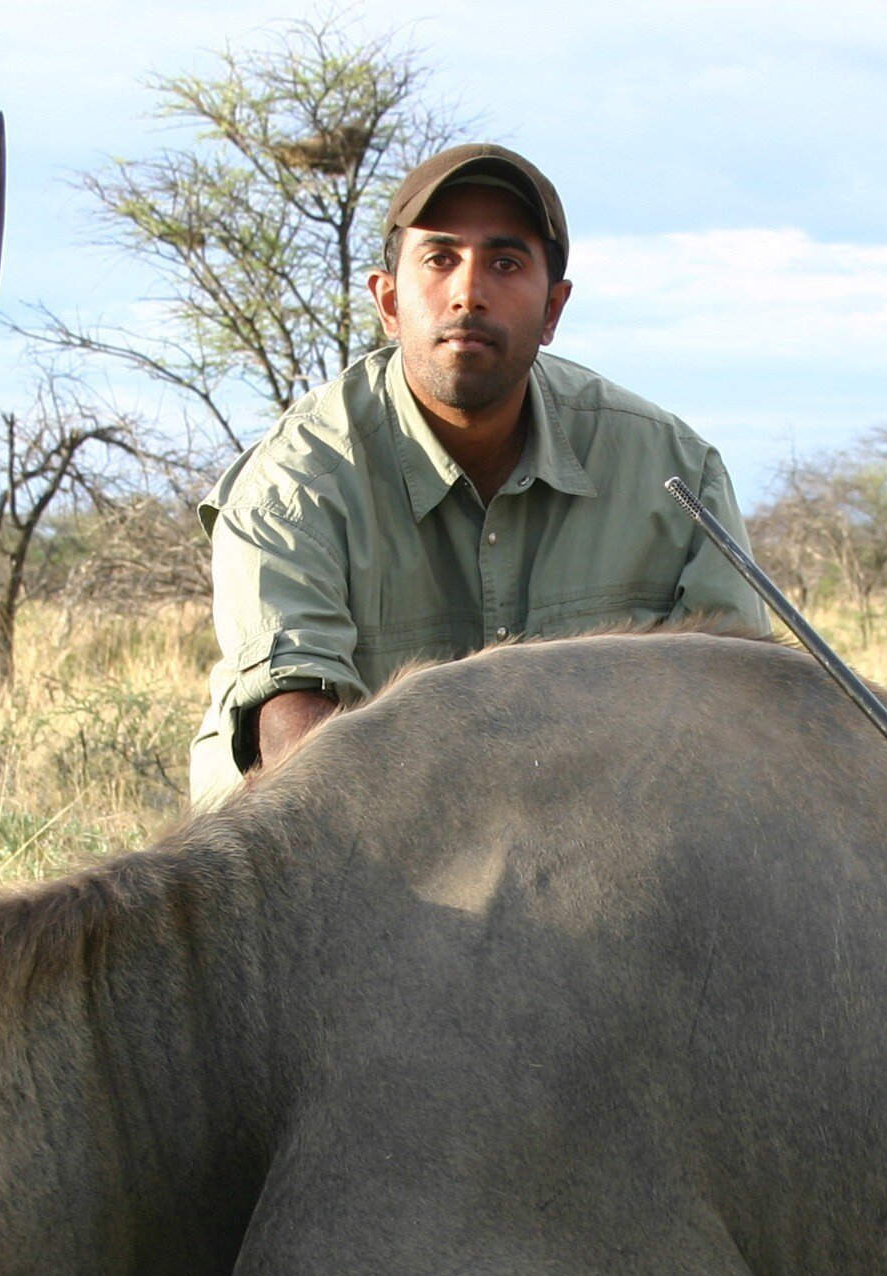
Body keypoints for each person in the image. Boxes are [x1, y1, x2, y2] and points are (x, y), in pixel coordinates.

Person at [186, 143, 768, 809]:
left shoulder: (674, 469)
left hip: (591, 842)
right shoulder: (292, 485)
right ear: (389, 302)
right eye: (439, 260)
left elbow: (742, 716)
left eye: (505, 262)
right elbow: (293, 747)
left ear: (553, 309)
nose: (468, 293)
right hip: (339, 851)